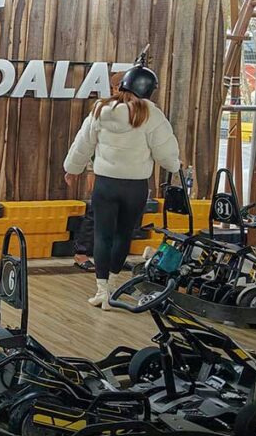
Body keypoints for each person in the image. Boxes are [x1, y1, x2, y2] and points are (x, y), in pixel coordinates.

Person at [63, 63, 181, 309]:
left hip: (106, 184)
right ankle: (113, 285)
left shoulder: (101, 110)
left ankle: (101, 292)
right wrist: (174, 166)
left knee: (102, 235)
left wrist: (72, 169)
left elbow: (82, 143)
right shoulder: (151, 115)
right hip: (135, 187)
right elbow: (166, 153)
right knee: (123, 235)